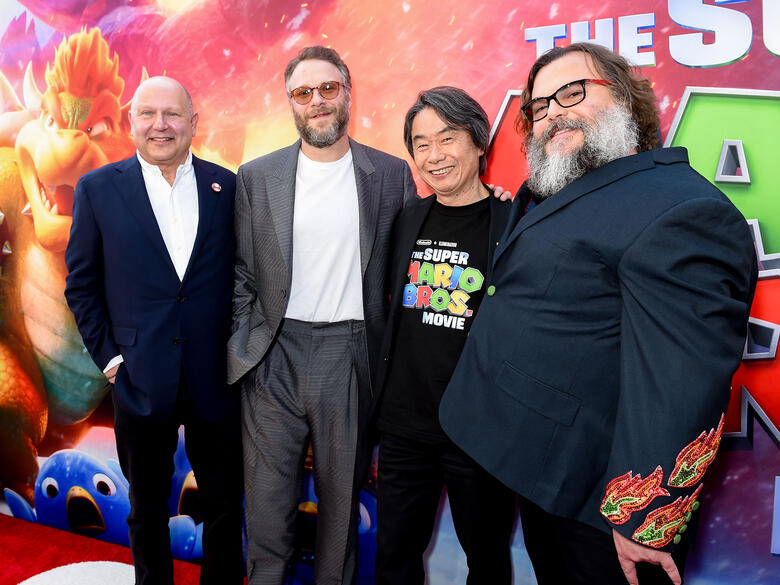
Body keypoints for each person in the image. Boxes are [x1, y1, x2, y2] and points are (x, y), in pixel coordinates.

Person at [439, 43, 758, 585]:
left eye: (572, 93)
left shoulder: (683, 208)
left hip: (597, 506)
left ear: (628, 103)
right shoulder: (567, 186)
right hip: (536, 471)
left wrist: (642, 522)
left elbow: (682, 381)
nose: (553, 113)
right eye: (539, 107)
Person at [226, 46, 416, 585]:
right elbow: (242, 271)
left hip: (350, 355)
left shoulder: (391, 175)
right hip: (272, 357)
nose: (317, 101)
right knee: (265, 507)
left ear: (348, 93)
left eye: (327, 88)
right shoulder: (256, 177)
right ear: (291, 103)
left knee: (339, 512)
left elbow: (413, 258)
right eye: (303, 93)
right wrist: (247, 345)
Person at [65, 76, 243, 585]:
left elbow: (246, 277)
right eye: (148, 114)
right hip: (139, 380)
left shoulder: (226, 186)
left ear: (193, 122)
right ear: (130, 123)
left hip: (217, 379)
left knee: (225, 509)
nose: (160, 125)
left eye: (172, 114)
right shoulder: (97, 190)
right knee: (145, 511)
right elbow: (82, 285)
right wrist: (113, 361)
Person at [373, 87, 516, 585]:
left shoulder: (515, 221)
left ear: (479, 142)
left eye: (447, 138)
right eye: (421, 143)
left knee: (488, 559)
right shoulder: (406, 218)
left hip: (479, 430)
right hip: (403, 427)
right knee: (394, 558)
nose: (434, 155)